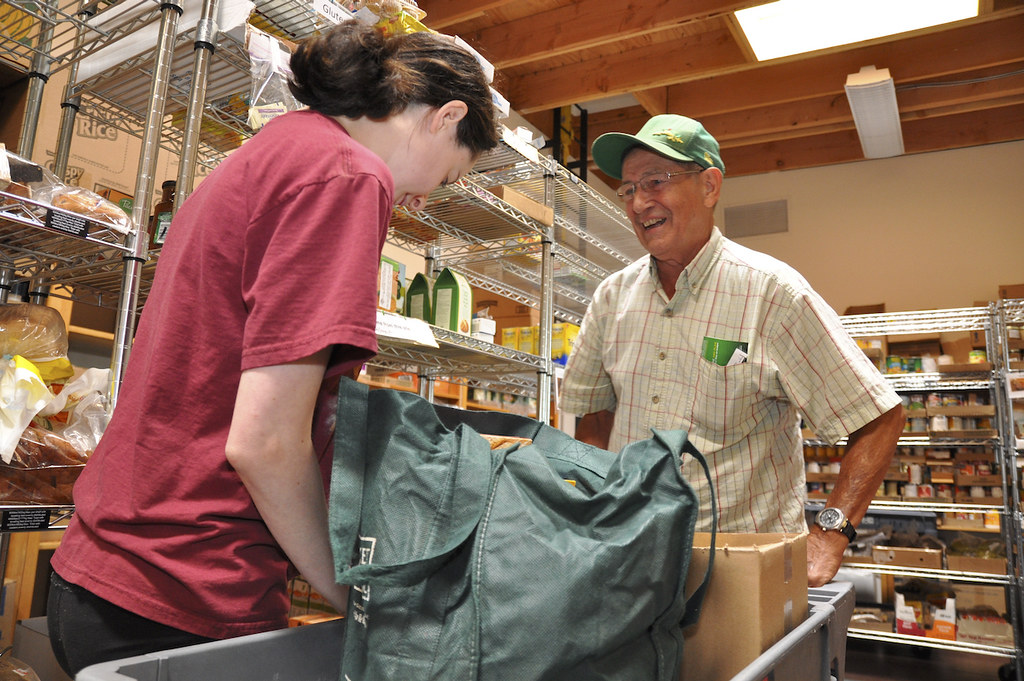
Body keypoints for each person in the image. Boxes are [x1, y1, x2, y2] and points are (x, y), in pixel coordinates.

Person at [47, 20, 499, 676]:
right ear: (444, 116)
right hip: (185, 589)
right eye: (451, 174)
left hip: (108, 570)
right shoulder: (348, 174)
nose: (427, 198)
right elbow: (262, 440)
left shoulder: (279, 147)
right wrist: (352, 596)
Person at [559, 114, 905, 588]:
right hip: (632, 563)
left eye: (656, 181)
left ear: (710, 186)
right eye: (628, 188)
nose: (640, 202)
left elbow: (878, 416)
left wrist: (829, 536)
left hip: (741, 574)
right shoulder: (611, 298)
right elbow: (592, 417)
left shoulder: (772, 293)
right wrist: (592, 511)